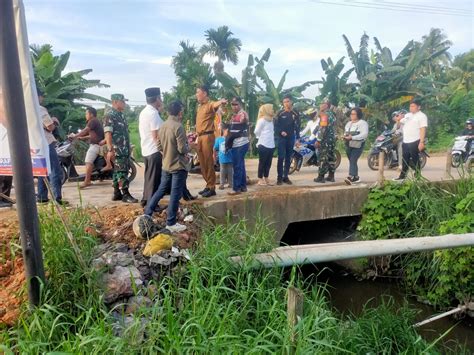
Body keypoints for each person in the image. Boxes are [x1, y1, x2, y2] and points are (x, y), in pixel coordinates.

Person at [145, 101, 190, 233]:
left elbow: (158, 146)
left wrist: (167, 154)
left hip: (166, 164)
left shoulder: (163, 125)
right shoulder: (178, 127)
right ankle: (171, 222)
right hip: (178, 165)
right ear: (180, 112)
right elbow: (182, 149)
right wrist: (191, 146)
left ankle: (147, 213)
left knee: (160, 190)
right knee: (175, 194)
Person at [103, 93, 138, 203]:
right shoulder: (110, 115)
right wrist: (110, 149)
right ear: (115, 102)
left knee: (117, 171)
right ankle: (125, 194)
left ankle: (116, 193)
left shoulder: (121, 115)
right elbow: (108, 133)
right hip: (117, 149)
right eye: (122, 101)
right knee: (122, 171)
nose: (124, 103)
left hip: (124, 148)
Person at [195, 85, 227, 198]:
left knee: (208, 162)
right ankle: (208, 185)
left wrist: (221, 101)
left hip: (207, 136)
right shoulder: (200, 107)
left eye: (198, 92)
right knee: (202, 163)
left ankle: (212, 187)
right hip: (200, 137)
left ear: (204, 93)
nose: (196, 94)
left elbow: (215, 104)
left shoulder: (210, 105)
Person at [36, 89, 64, 204]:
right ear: (38, 96)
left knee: (43, 171)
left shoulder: (25, 110)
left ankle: (42, 196)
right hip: (46, 142)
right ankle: (57, 198)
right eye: (42, 96)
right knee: (55, 170)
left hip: (36, 143)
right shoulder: (40, 109)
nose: (43, 99)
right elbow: (50, 127)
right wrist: (54, 121)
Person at [138, 87, 164, 207]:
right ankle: (153, 204)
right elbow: (156, 136)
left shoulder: (144, 112)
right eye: (160, 98)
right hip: (154, 149)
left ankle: (145, 199)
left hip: (146, 149)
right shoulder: (153, 114)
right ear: (157, 99)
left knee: (148, 176)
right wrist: (162, 150)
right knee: (155, 178)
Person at [68, 107, 104, 189]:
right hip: (96, 143)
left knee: (88, 162)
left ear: (91, 114)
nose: (85, 115)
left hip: (96, 145)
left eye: (86, 114)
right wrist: (81, 138)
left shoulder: (92, 121)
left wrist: (75, 136)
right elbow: (92, 134)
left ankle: (87, 181)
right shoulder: (95, 121)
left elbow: (85, 131)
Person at [394, 99, 428, 181]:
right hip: (406, 140)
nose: (411, 108)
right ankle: (402, 176)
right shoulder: (408, 115)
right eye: (410, 106)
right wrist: (398, 119)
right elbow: (398, 126)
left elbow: (423, 129)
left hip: (415, 140)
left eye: (413, 106)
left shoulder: (422, 116)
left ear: (419, 107)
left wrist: (421, 142)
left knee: (415, 158)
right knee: (404, 158)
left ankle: (417, 175)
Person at [275, 95, 300, 185]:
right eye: (284, 102)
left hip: (291, 138)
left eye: (288, 101)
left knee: (288, 158)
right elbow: (276, 125)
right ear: (283, 103)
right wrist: (281, 132)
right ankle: (279, 177)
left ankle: (286, 177)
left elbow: (298, 126)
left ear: (291, 102)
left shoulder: (295, 113)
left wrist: (298, 138)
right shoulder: (280, 113)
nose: (286, 103)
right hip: (282, 138)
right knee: (281, 157)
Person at [227, 97, 250, 196]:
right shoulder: (235, 115)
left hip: (240, 143)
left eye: (236, 104)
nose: (234, 106)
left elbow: (243, 120)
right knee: (241, 165)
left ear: (240, 104)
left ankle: (236, 188)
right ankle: (243, 186)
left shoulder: (242, 114)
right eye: (232, 104)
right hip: (238, 143)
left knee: (237, 166)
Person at [343, 107, 369, 185]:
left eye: (354, 114)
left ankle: (351, 176)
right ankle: (356, 177)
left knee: (353, 159)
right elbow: (346, 132)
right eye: (351, 114)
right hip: (348, 144)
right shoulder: (348, 123)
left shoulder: (362, 123)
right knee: (352, 161)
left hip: (358, 144)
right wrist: (344, 136)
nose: (352, 115)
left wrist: (353, 137)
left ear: (358, 114)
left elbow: (364, 134)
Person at [314, 100, 337, 183]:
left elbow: (322, 128)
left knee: (322, 158)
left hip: (325, 140)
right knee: (331, 157)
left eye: (322, 103)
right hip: (332, 140)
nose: (320, 105)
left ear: (326, 105)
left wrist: (318, 140)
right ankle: (331, 176)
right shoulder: (332, 115)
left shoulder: (324, 115)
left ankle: (321, 177)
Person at [254, 103, 275, 186]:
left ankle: (266, 178)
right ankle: (260, 179)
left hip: (271, 144)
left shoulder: (271, 120)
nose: (272, 110)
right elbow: (256, 131)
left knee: (268, 163)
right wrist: (260, 137)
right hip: (263, 144)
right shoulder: (262, 120)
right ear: (267, 110)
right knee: (262, 162)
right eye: (271, 108)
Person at [213, 123, 233, 190]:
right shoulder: (219, 139)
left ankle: (228, 184)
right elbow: (215, 149)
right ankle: (224, 184)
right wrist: (214, 158)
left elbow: (215, 149)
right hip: (223, 159)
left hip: (228, 159)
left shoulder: (229, 139)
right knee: (224, 171)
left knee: (228, 171)